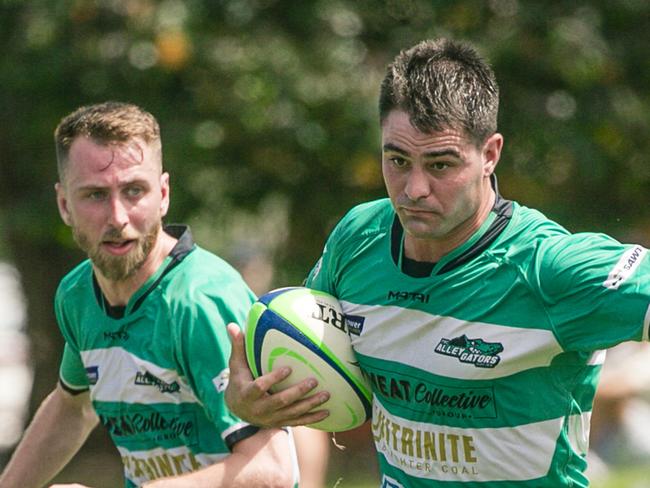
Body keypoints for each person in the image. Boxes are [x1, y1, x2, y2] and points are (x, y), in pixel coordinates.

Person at [224, 38, 650, 487]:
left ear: (490, 155)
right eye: (397, 160)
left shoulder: (546, 266)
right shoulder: (357, 239)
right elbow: (313, 356)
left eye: (441, 165)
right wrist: (252, 402)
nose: (414, 189)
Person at [0, 102, 297, 488]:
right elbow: (73, 405)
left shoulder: (198, 302)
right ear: (63, 205)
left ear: (163, 194)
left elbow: (274, 469)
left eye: (134, 191)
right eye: (94, 195)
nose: (118, 217)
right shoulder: (77, 296)